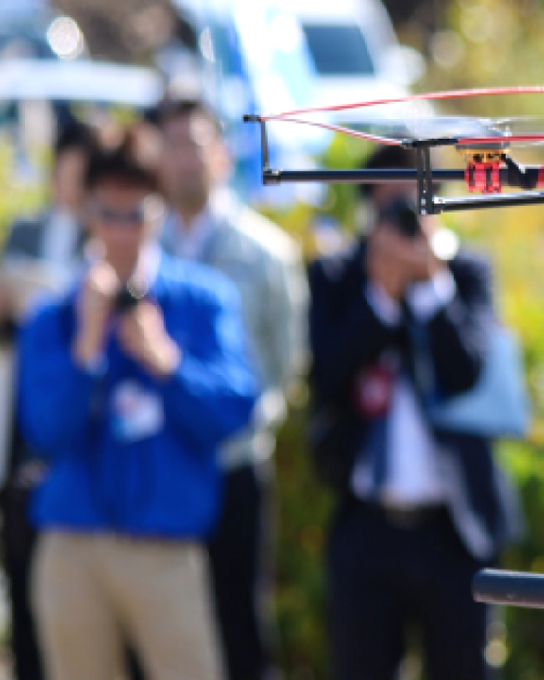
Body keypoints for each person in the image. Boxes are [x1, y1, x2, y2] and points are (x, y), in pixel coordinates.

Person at [18, 127, 260, 680]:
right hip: (72, 544)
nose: (122, 231)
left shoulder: (202, 299)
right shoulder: (55, 314)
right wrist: (86, 347)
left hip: (166, 548)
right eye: (109, 213)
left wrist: (168, 364)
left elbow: (235, 412)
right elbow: (44, 432)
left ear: (159, 211)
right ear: (87, 211)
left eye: (137, 214)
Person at [308, 145, 520, 680]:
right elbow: (326, 379)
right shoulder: (336, 276)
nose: (404, 217)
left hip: (453, 526)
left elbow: (466, 372)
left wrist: (429, 286)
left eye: (415, 201)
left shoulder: (465, 273)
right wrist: (379, 299)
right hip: (367, 524)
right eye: (392, 206)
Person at [154, 96, 307, 680]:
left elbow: (286, 363)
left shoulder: (265, 252)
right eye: (171, 145)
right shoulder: (144, 248)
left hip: (235, 465)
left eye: (194, 144)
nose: (184, 159)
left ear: (219, 154)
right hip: (160, 463)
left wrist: (240, 420)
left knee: (238, 623)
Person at [0, 119, 97, 680]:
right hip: (25, 414)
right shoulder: (25, 230)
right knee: (25, 577)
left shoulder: (107, 239)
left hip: (80, 429)